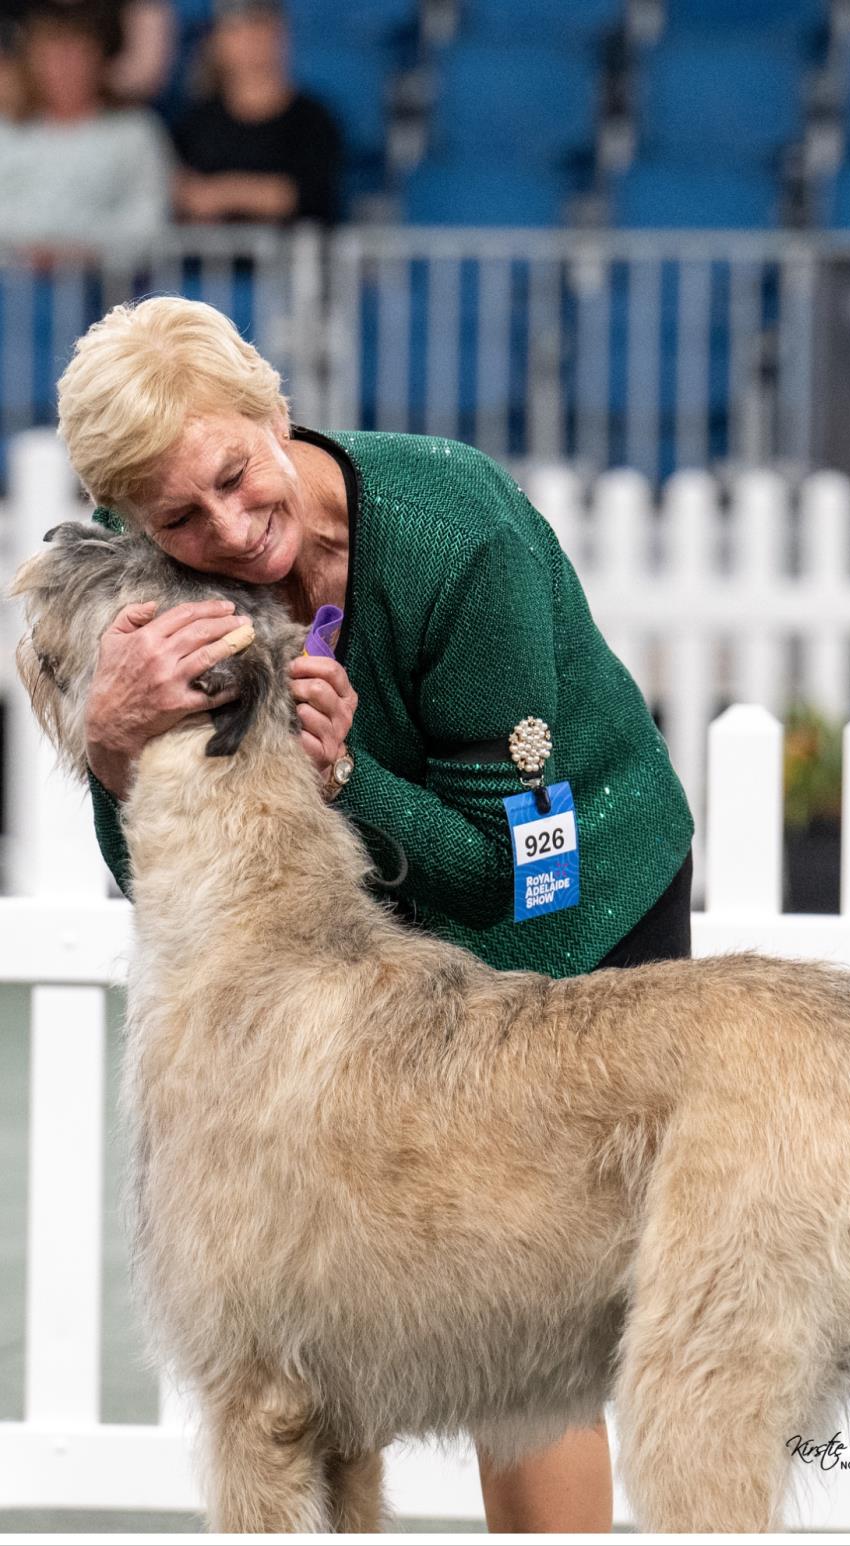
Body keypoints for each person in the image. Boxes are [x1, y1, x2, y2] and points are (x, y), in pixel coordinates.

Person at [57, 295, 694, 1533]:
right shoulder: (153, 560)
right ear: (131, 518)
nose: (226, 532)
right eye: (178, 519)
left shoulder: (456, 530)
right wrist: (114, 741)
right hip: (361, 928)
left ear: (275, 411)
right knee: (333, 1285)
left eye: (236, 477)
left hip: (570, 882)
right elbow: (160, 870)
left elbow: (515, 875)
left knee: (524, 1315)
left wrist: (353, 778)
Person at [0, 2, 171, 250]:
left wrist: (87, 250)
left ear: (99, 60)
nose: (64, 69)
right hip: (13, 271)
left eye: (76, 56)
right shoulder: (6, 132)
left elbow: (147, 214)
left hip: (108, 273)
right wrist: (27, 248)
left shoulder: (135, 131)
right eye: (53, 58)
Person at [172, 0, 341, 226]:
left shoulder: (313, 119)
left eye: (260, 26)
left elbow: (307, 194)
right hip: (212, 247)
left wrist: (222, 193)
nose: (251, 39)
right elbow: (186, 195)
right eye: (237, 29)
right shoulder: (195, 123)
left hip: (294, 246)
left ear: (281, 34)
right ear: (216, 40)